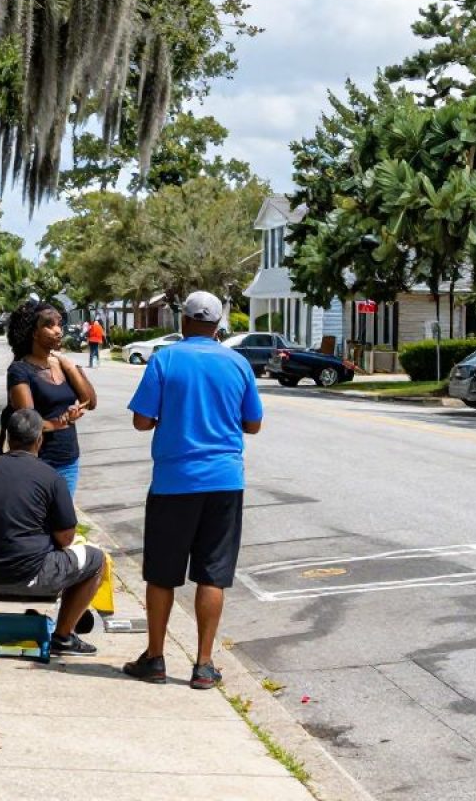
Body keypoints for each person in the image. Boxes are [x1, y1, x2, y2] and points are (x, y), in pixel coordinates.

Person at [124, 290, 263, 690]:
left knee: (162, 575)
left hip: (173, 482)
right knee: (213, 574)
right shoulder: (237, 363)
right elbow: (252, 424)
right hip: (224, 481)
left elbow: (141, 422)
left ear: (183, 321)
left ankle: (155, 658)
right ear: (219, 326)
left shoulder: (165, 359)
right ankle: (203, 665)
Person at [0, 409, 102, 655]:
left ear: (7, 438)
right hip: (27, 576)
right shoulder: (51, 476)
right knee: (96, 559)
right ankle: (63, 636)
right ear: (39, 439)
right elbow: (66, 538)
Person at [0, 301, 96, 496]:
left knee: (62, 522)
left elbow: (90, 402)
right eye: (49, 325)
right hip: (37, 461)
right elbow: (29, 423)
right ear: (33, 332)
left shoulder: (62, 365)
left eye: (59, 324)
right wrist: (62, 423)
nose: (58, 331)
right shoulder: (20, 370)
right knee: (38, 521)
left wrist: (69, 366)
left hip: (69, 461)